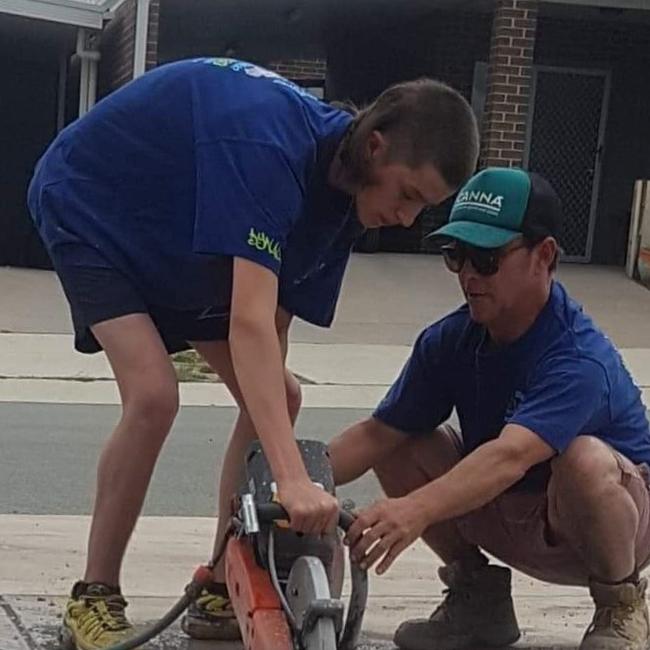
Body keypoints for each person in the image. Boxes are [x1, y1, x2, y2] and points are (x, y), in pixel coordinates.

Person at [27, 57, 479, 648]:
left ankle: (221, 578)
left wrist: (281, 460)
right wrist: (290, 480)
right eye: (409, 194)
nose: (406, 218)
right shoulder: (269, 149)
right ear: (375, 146)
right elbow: (247, 323)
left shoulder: (343, 202)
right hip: (93, 201)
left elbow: (272, 329)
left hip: (178, 223)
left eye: (425, 208)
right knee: (154, 394)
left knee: (281, 396)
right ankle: (93, 595)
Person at [329, 167, 650, 650]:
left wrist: (412, 511)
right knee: (401, 439)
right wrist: (290, 479)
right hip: (509, 512)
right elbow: (376, 435)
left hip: (601, 528)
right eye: (456, 255)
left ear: (544, 256)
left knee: (584, 460)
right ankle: (478, 600)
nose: (468, 275)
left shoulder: (578, 357)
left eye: (486, 257)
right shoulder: (449, 341)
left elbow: (509, 457)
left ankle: (620, 609)